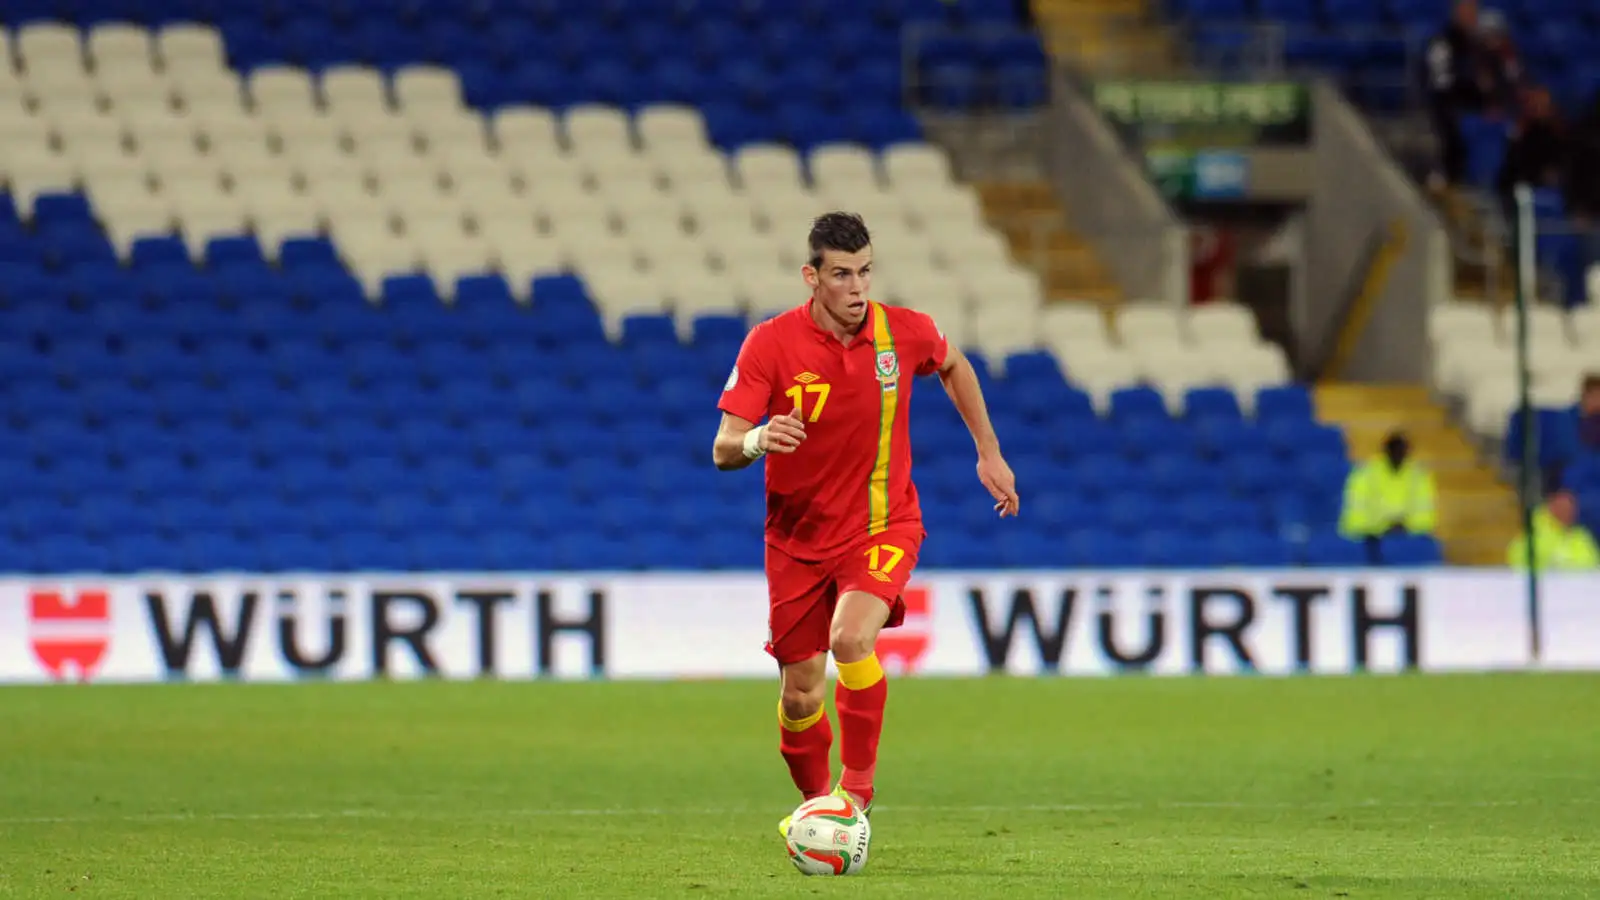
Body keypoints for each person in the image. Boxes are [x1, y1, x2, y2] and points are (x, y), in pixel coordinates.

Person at [711, 212, 1019, 835]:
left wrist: (988, 450)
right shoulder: (769, 343)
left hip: (883, 524)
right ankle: (818, 806)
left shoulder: (903, 333)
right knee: (800, 695)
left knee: (852, 640)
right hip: (796, 541)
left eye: (866, 272)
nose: (858, 287)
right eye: (843, 274)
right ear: (812, 277)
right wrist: (763, 437)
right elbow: (723, 448)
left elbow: (955, 364)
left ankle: (857, 792)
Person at [1338, 431, 1438, 562]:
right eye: (1396, 450)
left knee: (1422, 549)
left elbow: (1426, 516)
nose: (1399, 454)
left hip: (1409, 540)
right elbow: (1354, 517)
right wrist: (1383, 527)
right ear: (1386, 451)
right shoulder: (1365, 475)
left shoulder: (1419, 477)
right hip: (1370, 541)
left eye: (1402, 450)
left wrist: (1406, 526)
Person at [1421, 0, 1488, 191]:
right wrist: (1470, 84)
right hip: (1447, 104)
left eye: (1474, 13)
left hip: (1472, 104)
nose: (1472, 18)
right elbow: (1440, 81)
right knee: (1450, 133)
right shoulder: (1443, 42)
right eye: (1467, 12)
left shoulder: (1478, 44)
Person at [1507, 489, 1600, 570]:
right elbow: (1517, 559)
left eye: (1571, 508)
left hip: (1578, 586)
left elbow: (1593, 563)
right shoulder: (1534, 532)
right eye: (1563, 507)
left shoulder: (1581, 536)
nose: (1568, 511)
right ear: (1552, 507)